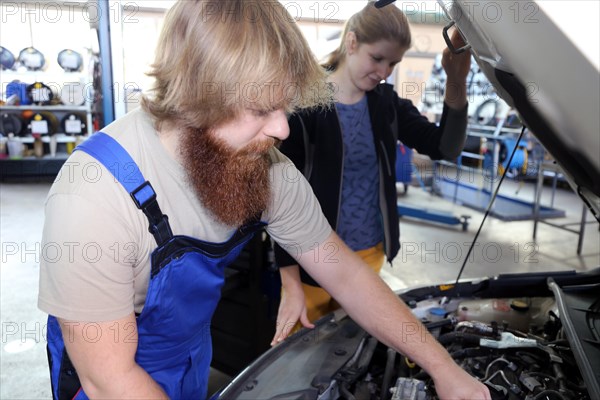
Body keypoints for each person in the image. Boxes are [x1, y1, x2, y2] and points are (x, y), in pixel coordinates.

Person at [38, 1, 490, 399]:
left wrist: (443, 368)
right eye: (260, 110)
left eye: (286, 106)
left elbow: (346, 273)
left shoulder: (264, 167)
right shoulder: (94, 196)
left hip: (193, 354)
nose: (283, 130)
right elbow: (110, 379)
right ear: (195, 98)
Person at [272, 1, 471, 341]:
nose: (385, 71)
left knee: (351, 350)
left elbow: (445, 148)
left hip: (370, 254)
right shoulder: (305, 104)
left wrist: (456, 81)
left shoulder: (386, 104)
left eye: (393, 62)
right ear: (351, 43)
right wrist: (290, 283)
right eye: (377, 58)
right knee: (302, 356)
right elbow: (278, 196)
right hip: (314, 259)